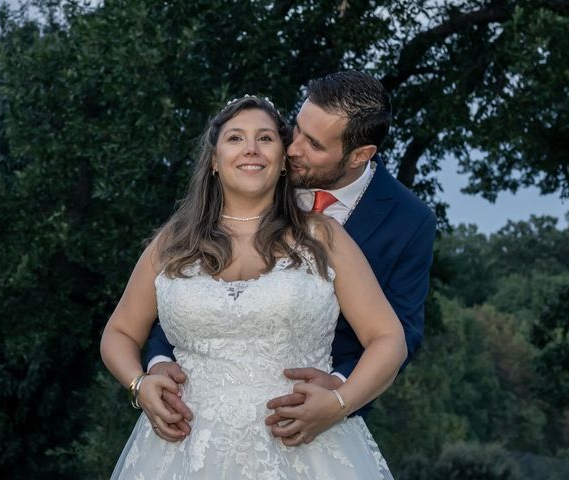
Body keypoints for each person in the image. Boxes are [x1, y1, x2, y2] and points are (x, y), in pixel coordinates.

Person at [101, 95, 407, 478]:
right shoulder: (173, 243)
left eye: (265, 138)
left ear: (283, 160)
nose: (250, 149)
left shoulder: (323, 237)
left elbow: (388, 337)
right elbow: (119, 332)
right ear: (213, 160)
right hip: (183, 451)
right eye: (234, 138)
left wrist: (339, 402)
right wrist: (139, 384)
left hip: (306, 451)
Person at [143, 71, 437, 444]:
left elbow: (401, 331)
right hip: (196, 420)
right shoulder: (257, 169)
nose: (292, 148)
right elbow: (183, 292)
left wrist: (340, 393)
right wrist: (154, 367)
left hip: (313, 424)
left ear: (360, 155)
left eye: (313, 144)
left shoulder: (409, 221)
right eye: (295, 128)